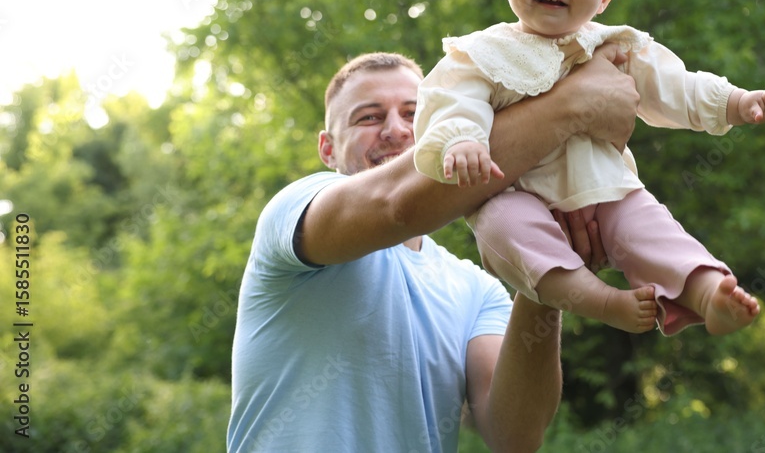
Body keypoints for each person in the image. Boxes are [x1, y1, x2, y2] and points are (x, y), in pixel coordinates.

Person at [413, 0, 765, 337]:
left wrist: (741, 103)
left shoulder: (616, 45)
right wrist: (463, 140)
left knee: (650, 228)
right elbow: (453, 97)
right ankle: (600, 300)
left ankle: (707, 292)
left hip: (605, 189)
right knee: (501, 227)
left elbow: (675, 87)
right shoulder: (482, 51)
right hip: (517, 194)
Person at [226, 49, 641, 453]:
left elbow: (514, 437)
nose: (397, 130)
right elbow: (397, 206)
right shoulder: (295, 210)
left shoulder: (479, 291)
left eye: (414, 113)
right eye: (369, 117)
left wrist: (543, 277)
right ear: (328, 149)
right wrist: (569, 104)